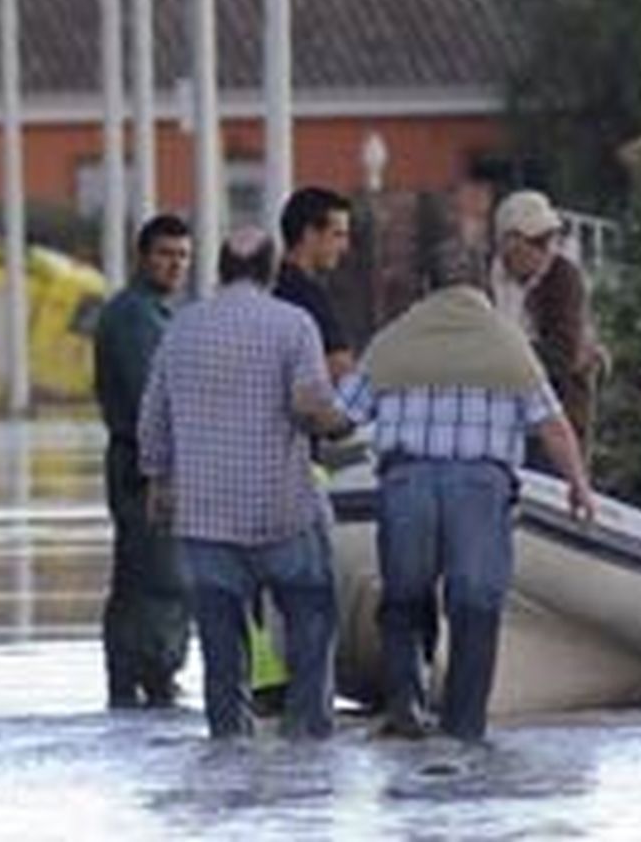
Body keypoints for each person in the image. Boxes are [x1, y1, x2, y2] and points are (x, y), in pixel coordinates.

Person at [332, 237, 597, 741]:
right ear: (481, 286)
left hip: (407, 480)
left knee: (404, 600)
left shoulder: (394, 339)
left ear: (426, 286)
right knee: (474, 603)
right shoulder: (506, 343)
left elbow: (343, 415)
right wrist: (579, 486)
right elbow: (553, 425)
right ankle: (464, 726)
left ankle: (407, 705)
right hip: (480, 485)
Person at [138, 227, 343, 740]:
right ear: (273, 270)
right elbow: (310, 406)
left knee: (222, 648)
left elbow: (153, 421)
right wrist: (344, 421)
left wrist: (159, 484)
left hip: (205, 517)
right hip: (282, 510)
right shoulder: (294, 325)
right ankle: (308, 741)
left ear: (219, 270)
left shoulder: (182, 328)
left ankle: (228, 744)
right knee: (310, 624)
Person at [94, 214, 193, 709]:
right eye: (165, 254)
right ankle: (149, 678)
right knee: (158, 576)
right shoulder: (135, 318)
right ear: (143, 256)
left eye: (182, 256)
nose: (175, 265)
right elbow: (148, 402)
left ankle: (144, 677)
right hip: (145, 466)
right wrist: (164, 469)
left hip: (144, 461)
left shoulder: (153, 313)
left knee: (146, 574)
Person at [490, 190, 602, 463]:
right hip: (493, 419)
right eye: (539, 242)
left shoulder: (563, 278)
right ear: (508, 242)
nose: (548, 250)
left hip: (552, 414)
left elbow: (562, 354)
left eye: (553, 239)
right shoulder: (480, 278)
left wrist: (494, 355)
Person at [274, 186, 355, 380]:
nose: (345, 246)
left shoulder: (268, 286)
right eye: (337, 235)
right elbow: (340, 368)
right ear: (310, 233)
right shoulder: (307, 295)